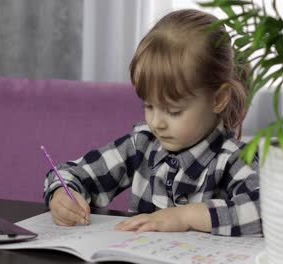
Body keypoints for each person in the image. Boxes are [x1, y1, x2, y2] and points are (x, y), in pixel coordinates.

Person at [43, 9, 261, 237]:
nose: (156, 122)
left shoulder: (233, 159)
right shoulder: (143, 143)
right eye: (149, 106)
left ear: (219, 99)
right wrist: (62, 195)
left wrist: (186, 217)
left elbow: (263, 210)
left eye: (173, 111)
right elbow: (70, 173)